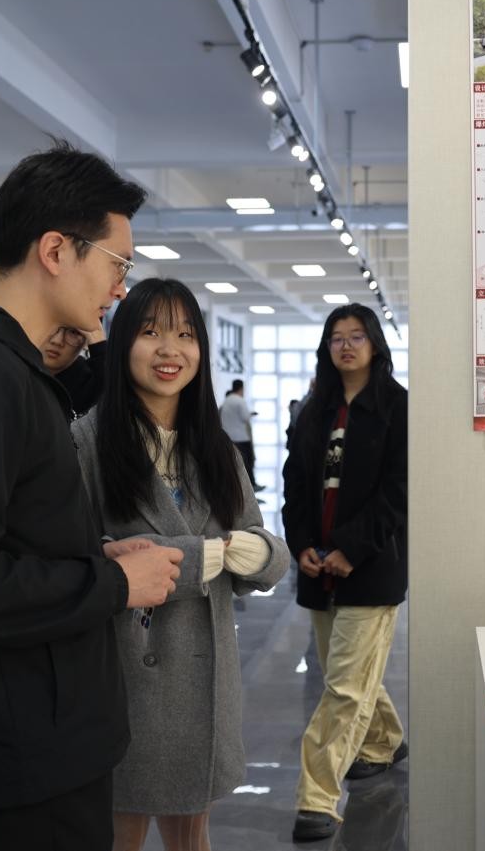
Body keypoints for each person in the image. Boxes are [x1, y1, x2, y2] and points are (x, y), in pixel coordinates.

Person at [0, 140, 182, 851]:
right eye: (117, 264)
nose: (120, 288)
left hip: (41, 736)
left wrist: (92, 555)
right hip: (17, 755)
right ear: (55, 250)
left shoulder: (10, 370)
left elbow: (6, 535)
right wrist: (115, 583)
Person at [73, 278, 289, 851]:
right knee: (120, 831)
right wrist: (209, 555)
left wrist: (258, 554)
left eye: (186, 335)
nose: (170, 350)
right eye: (150, 333)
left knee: (193, 835)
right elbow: (74, 556)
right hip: (124, 672)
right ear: (121, 343)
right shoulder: (86, 441)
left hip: (204, 674)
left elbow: (262, 552)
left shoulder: (212, 446)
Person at [283, 304, 408, 842]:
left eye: (357, 336)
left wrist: (351, 549)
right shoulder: (316, 409)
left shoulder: (398, 407)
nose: (347, 345)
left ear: (375, 344)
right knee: (351, 676)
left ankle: (316, 797)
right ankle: (383, 742)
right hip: (319, 566)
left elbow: (399, 492)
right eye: (337, 337)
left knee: (343, 687)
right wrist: (302, 545)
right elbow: (294, 484)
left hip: (371, 566)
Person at [42, 324, 108, 416]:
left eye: (73, 332)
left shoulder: (95, 381)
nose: (57, 341)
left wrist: (100, 350)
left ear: (86, 340)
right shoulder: (22, 373)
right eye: (50, 325)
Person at [220, 378, 262, 491]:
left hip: (229, 437)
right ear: (241, 388)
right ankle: (251, 486)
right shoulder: (240, 400)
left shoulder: (226, 401)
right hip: (241, 438)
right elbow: (244, 417)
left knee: (234, 463)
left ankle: (237, 486)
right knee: (247, 462)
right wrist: (250, 414)